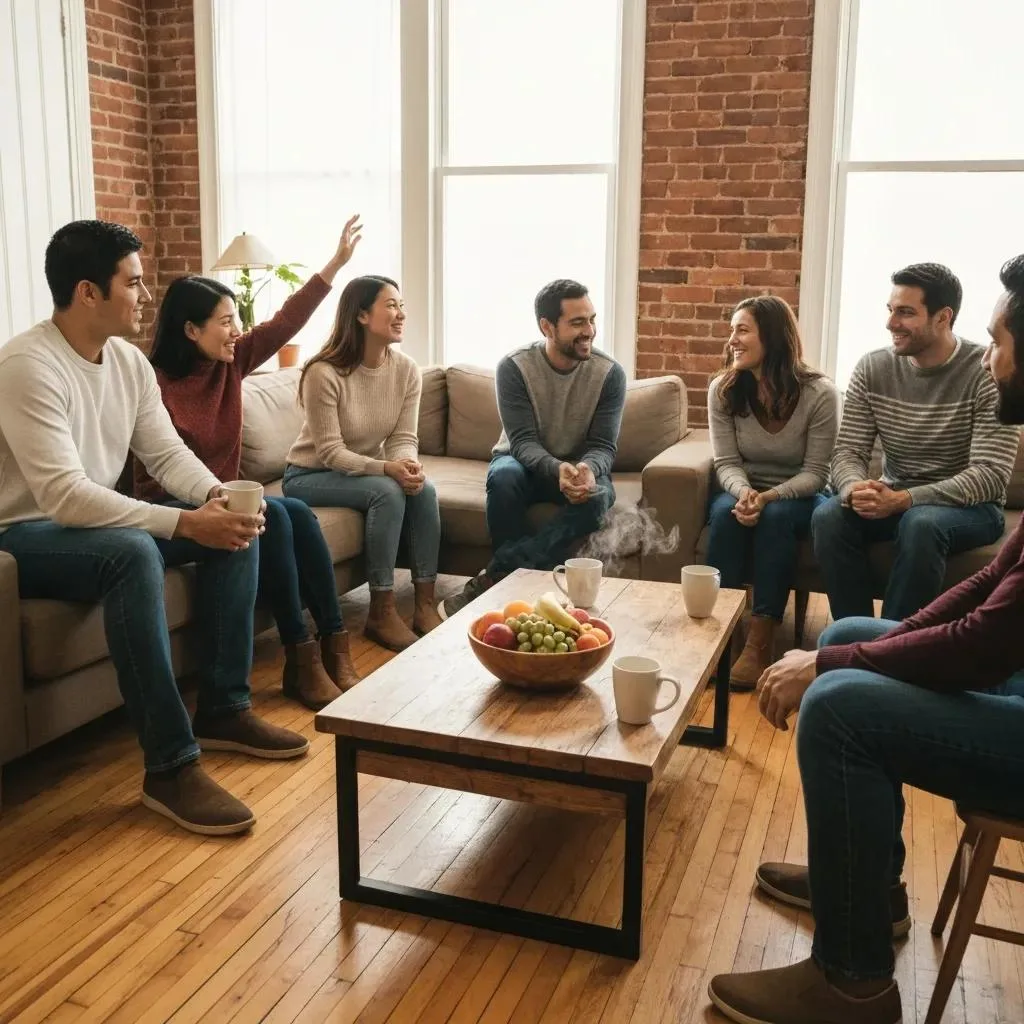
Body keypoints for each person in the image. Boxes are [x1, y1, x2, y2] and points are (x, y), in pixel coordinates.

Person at [707, 254, 1024, 1024]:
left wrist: (833, 663)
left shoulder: (975, 389)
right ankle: (868, 891)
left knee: (842, 706)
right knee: (851, 627)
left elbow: (987, 644)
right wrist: (858, 644)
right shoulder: (872, 370)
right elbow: (989, 589)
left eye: (1003, 340)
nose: (995, 358)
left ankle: (853, 981)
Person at [0, 220, 310, 837]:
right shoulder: (27, 366)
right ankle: (169, 766)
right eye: (134, 282)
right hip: (24, 535)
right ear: (88, 291)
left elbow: (165, 454)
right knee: (133, 551)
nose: (146, 295)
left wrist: (218, 497)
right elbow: (63, 496)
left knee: (240, 520)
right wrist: (182, 522)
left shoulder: (126, 364)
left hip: (85, 522)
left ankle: (224, 707)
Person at [136, 217, 364, 709]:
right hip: (172, 513)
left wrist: (334, 266)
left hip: (222, 501)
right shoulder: (150, 384)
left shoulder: (230, 362)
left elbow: (286, 320)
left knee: (293, 513)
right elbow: (149, 475)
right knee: (279, 516)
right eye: (225, 322)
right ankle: (300, 657)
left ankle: (328, 641)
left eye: (237, 320)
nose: (237, 331)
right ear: (191, 329)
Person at [812, 262, 1019, 623]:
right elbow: (848, 452)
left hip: (971, 508)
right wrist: (853, 487)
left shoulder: (984, 370)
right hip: (897, 497)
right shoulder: (872, 368)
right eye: (891, 310)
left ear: (943, 317)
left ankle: (894, 644)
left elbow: (989, 476)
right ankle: (855, 634)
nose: (891, 323)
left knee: (921, 523)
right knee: (829, 515)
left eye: (906, 312)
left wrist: (905, 499)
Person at [440, 279, 626, 619]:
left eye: (592, 319)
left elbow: (602, 446)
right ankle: (519, 591)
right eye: (578, 322)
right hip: (522, 463)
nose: (590, 331)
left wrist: (586, 468)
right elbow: (522, 441)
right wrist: (558, 469)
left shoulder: (610, 373)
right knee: (504, 478)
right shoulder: (514, 367)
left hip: (578, 466)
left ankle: (497, 578)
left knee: (600, 496)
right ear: (547, 326)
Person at [281, 275, 441, 652]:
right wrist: (387, 469)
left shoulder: (406, 370)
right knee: (387, 491)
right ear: (362, 315)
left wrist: (407, 465)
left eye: (401, 305)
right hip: (309, 475)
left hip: (358, 470)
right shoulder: (323, 372)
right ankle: (381, 612)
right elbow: (330, 452)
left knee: (424, 490)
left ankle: (424, 605)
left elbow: (403, 438)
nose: (401, 314)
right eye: (391, 305)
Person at [706, 296, 839, 688]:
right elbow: (725, 462)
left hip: (800, 496)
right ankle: (717, 638)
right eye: (732, 330)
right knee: (723, 516)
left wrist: (769, 497)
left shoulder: (820, 394)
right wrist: (746, 493)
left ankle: (759, 642)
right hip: (745, 487)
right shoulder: (723, 390)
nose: (732, 339)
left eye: (742, 329)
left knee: (777, 518)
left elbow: (817, 473)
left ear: (773, 337)